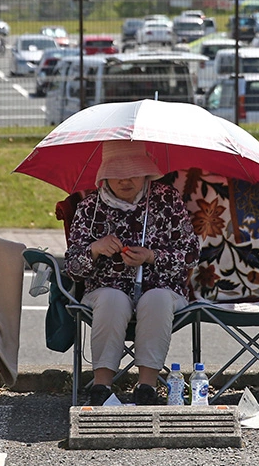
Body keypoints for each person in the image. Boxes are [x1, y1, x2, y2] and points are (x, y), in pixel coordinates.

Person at [64, 140, 200, 406]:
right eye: (117, 175)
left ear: (146, 173)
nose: (125, 181)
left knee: (157, 298)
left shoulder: (166, 199)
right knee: (113, 299)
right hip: (105, 289)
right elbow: (72, 270)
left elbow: (191, 254)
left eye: (133, 174)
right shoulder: (90, 208)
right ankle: (101, 385)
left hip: (163, 287)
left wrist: (152, 256)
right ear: (104, 176)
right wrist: (94, 249)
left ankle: (146, 386)